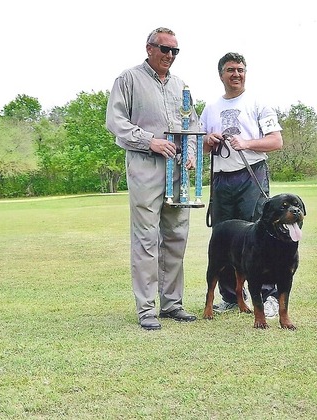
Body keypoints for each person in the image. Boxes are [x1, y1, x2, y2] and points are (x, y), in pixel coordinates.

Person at [106, 27, 199, 330]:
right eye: (164, 49)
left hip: (177, 171)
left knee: (176, 236)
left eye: (175, 51)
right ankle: (147, 309)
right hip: (145, 165)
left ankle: (172, 303)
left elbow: (193, 125)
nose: (169, 56)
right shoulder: (128, 79)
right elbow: (116, 122)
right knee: (146, 239)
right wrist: (150, 141)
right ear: (149, 48)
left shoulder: (181, 86)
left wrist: (191, 153)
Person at [200, 52, 283, 318]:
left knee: (261, 235)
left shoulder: (258, 103)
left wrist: (246, 143)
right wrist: (208, 141)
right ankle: (231, 297)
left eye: (240, 69)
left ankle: (268, 296)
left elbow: (275, 141)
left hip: (252, 174)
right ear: (220, 74)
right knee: (224, 238)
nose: (236, 74)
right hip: (222, 178)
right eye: (230, 70)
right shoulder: (210, 109)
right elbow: (199, 147)